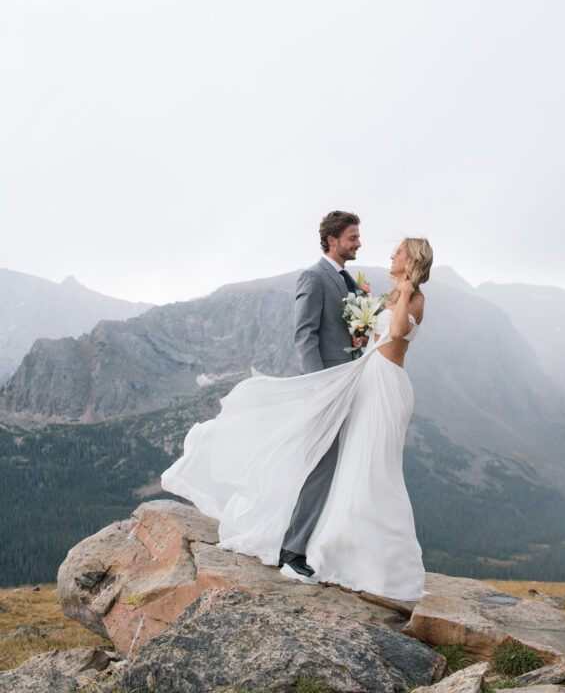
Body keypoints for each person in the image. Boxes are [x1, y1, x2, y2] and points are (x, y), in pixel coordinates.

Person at [161, 231, 433, 602]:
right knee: (352, 465)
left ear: (412, 258)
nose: (391, 255)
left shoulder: (413, 298)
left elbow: (399, 331)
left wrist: (403, 291)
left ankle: (381, 561)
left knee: (376, 468)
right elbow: (373, 336)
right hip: (366, 381)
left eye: (398, 252)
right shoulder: (389, 294)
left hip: (387, 388)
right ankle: (341, 548)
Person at [280, 210, 363, 581]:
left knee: (349, 467)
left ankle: (327, 548)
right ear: (332, 240)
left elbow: (346, 335)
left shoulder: (352, 284)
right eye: (352, 237)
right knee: (321, 466)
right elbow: (305, 336)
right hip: (327, 388)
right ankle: (292, 551)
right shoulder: (313, 277)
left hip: (354, 383)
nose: (358, 243)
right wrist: (320, 390)